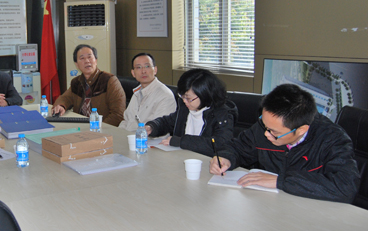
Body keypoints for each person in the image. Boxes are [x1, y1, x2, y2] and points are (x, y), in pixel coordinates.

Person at [210, 83, 360, 203]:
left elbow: (346, 187)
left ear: (301, 130)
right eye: (264, 124)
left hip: (310, 213)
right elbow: (238, 147)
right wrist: (225, 157)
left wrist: (281, 181)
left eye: (274, 132)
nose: (266, 134)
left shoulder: (332, 139)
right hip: (269, 205)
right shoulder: (267, 127)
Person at [145, 68, 238, 156]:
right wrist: (152, 127)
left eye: (188, 98)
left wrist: (181, 141)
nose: (184, 101)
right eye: (182, 96)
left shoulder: (222, 115)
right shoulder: (186, 109)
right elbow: (167, 122)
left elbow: (219, 144)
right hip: (181, 158)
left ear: (204, 94)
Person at [52, 44, 125, 126]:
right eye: (82, 58)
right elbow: (65, 98)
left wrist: (97, 127)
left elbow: (118, 114)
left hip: (102, 128)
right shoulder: (77, 82)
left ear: (96, 60)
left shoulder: (109, 80)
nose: (87, 61)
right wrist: (61, 106)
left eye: (90, 57)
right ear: (77, 64)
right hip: (81, 127)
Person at [119, 53, 177, 131]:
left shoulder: (165, 95)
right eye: (138, 67)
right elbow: (126, 121)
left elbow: (160, 129)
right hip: (128, 136)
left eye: (147, 66)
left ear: (155, 70)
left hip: (148, 138)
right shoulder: (137, 92)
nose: (143, 71)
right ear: (133, 73)